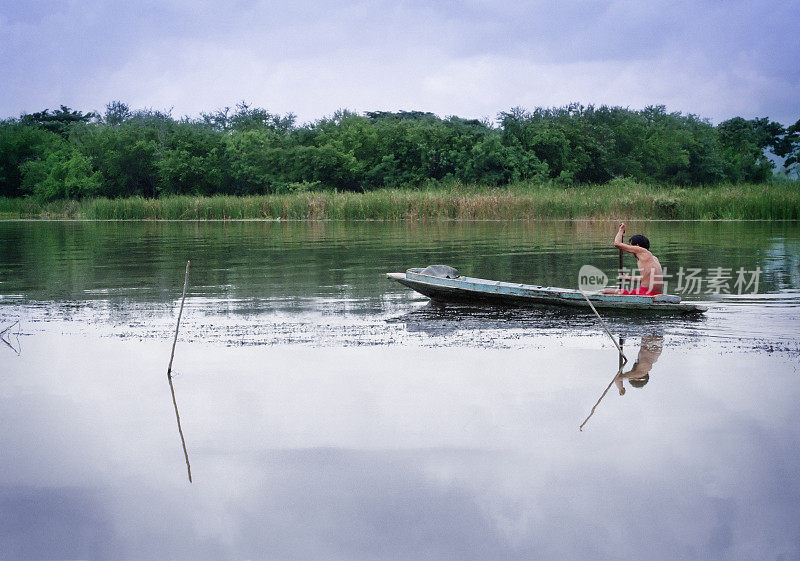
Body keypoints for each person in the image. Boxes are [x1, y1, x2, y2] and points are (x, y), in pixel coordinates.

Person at [604, 223, 663, 296]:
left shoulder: (642, 251)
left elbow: (617, 243)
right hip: (655, 293)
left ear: (637, 246)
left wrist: (621, 230)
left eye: (631, 245)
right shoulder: (653, 258)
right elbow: (645, 279)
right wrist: (628, 278)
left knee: (605, 291)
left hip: (646, 293)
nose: (630, 249)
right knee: (618, 291)